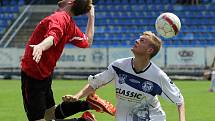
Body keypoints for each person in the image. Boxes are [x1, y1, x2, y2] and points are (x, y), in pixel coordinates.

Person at [62, 31, 186, 121]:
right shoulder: (119, 66)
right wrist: (76, 96)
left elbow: (179, 101)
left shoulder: (158, 76)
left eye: (142, 40)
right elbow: (95, 83)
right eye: (139, 38)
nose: (137, 40)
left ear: (149, 50)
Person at [20, 0, 97, 120]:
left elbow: (52, 36)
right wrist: (91, 16)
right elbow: (88, 42)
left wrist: (41, 46)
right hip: (45, 75)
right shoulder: (70, 25)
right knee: (50, 114)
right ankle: (87, 105)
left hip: (33, 75)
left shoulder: (59, 17)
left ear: (71, 2)